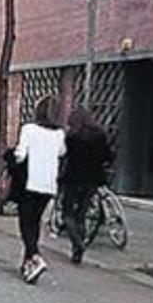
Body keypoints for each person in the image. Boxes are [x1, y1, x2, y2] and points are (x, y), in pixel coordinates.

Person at [13, 95, 65, 283]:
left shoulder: (29, 129)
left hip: (30, 183)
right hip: (48, 185)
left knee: (26, 223)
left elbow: (20, 155)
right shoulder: (59, 134)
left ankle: (35, 256)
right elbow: (62, 153)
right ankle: (28, 264)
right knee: (35, 222)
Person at [60, 106, 113, 264]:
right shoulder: (100, 136)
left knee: (67, 214)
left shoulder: (71, 137)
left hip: (73, 179)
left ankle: (77, 243)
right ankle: (78, 250)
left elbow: (64, 156)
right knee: (81, 214)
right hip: (92, 180)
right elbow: (108, 156)